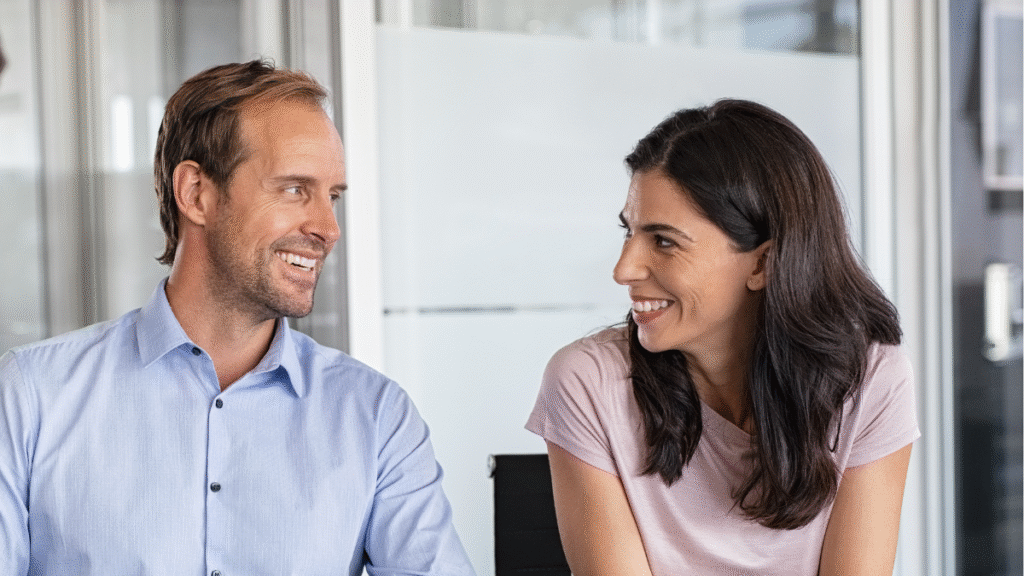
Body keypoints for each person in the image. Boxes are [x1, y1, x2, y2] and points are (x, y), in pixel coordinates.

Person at [0, 60, 475, 575]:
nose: (327, 227)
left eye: (332, 196)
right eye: (295, 189)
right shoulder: (32, 397)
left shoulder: (376, 417)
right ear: (196, 194)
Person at [526, 99, 918, 575]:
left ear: (763, 263)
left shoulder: (869, 375)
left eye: (664, 241)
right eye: (628, 232)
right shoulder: (586, 382)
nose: (623, 269)